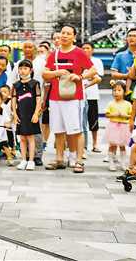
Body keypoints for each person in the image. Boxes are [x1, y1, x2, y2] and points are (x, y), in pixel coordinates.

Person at [43, 25, 96, 173]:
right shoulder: (53, 54)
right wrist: (57, 72)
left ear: (74, 37)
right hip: (55, 98)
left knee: (76, 130)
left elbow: (93, 70)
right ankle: (59, 159)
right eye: (63, 33)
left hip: (74, 98)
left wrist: (80, 76)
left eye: (68, 33)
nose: (65, 36)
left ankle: (79, 161)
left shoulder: (79, 52)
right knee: (58, 130)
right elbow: (45, 74)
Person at [10, 41, 45, 165]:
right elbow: (12, 83)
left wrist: (41, 104)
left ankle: (37, 156)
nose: (28, 49)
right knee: (23, 135)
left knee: (36, 132)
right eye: (25, 47)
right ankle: (24, 158)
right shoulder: (18, 64)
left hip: (36, 102)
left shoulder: (41, 62)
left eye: (30, 47)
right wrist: (13, 110)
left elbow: (45, 83)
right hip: (21, 106)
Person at [81, 42, 104, 154]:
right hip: (79, 96)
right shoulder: (78, 60)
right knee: (81, 122)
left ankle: (95, 144)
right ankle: (83, 145)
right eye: (83, 48)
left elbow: (97, 76)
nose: (85, 50)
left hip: (92, 95)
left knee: (93, 120)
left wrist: (86, 81)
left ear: (92, 50)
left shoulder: (97, 61)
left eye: (88, 48)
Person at [105, 81, 132, 171]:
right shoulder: (111, 103)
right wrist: (115, 115)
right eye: (114, 90)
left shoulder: (128, 104)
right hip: (113, 126)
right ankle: (111, 162)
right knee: (112, 145)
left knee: (122, 145)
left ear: (124, 92)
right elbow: (107, 114)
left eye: (119, 90)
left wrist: (124, 116)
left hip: (124, 127)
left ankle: (123, 163)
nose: (116, 92)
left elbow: (131, 115)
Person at [111, 28, 136, 99]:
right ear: (126, 38)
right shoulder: (120, 55)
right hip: (124, 90)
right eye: (129, 36)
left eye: (135, 36)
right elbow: (113, 74)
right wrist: (127, 75)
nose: (131, 38)